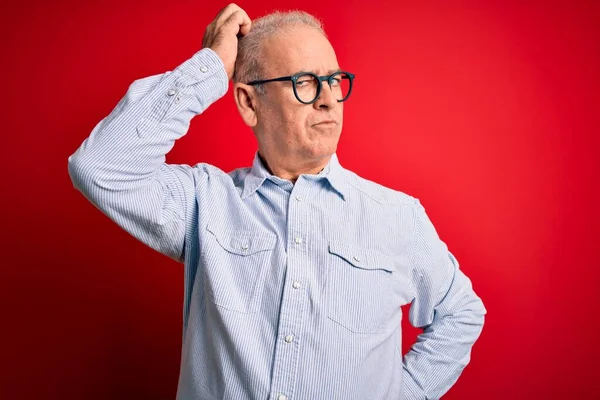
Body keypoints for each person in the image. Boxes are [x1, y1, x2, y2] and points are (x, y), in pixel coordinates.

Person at [68, 4, 486, 399]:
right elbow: (100, 165)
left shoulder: (396, 216)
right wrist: (210, 67)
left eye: (334, 80)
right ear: (250, 103)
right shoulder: (203, 203)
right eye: (304, 82)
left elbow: (461, 313)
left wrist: (404, 393)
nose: (327, 99)